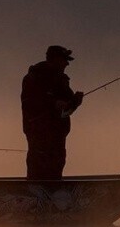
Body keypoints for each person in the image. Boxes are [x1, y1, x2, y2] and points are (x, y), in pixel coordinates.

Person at [21, 45, 84, 180]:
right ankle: (35, 195)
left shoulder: (62, 81)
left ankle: (53, 195)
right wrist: (53, 103)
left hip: (58, 134)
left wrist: (75, 103)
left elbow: (66, 112)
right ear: (55, 59)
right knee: (38, 167)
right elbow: (29, 103)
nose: (67, 63)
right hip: (38, 132)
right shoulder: (33, 77)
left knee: (57, 166)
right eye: (64, 60)